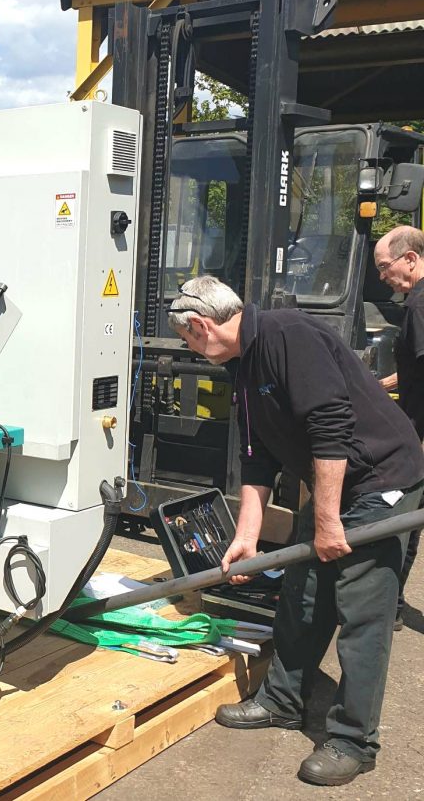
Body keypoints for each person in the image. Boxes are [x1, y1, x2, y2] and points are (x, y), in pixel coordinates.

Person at [168, 275, 424, 787]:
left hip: (379, 481)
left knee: (362, 613)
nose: (188, 349)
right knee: (303, 596)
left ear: (199, 326)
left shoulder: (288, 335)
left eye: (186, 340)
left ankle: (354, 741)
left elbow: (330, 426)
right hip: (335, 484)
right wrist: (247, 533)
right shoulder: (243, 366)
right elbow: (256, 456)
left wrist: (328, 521)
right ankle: (282, 701)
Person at [374, 225, 424, 630]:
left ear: (410, 258)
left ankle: (386, 606)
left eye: (384, 267)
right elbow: (416, 371)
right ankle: (391, 605)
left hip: (419, 435)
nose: (382, 276)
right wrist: (380, 386)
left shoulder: (419, 307)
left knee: (401, 514)